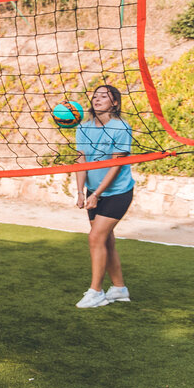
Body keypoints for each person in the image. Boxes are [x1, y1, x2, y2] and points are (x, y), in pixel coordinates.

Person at [74, 84, 134, 308]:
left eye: (104, 96)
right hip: (93, 192)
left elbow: (117, 165)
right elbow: (81, 161)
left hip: (118, 192)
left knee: (95, 238)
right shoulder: (83, 126)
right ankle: (119, 288)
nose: (97, 99)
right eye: (95, 96)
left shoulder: (121, 127)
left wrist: (97, 194)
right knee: (105, 240)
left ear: (115, 103)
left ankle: (96, 292)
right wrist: (81, 192)